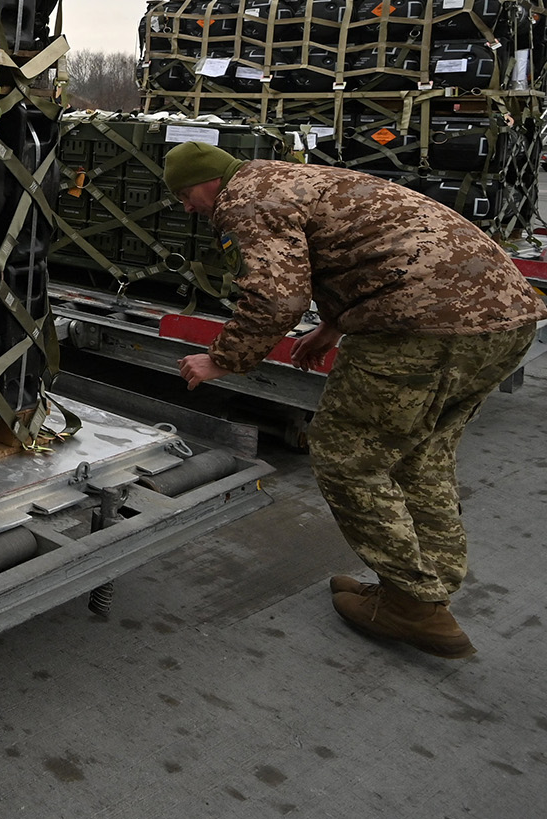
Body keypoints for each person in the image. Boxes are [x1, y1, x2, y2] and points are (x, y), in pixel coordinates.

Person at [166, 140, 543, 657]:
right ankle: (422, 588)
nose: (187, 207)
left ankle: (412, 605)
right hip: (503, 320)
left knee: (348, 456)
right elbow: (370, 253)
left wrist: (224, 359)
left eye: (186, 195)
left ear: (210, 180)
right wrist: (332, 326)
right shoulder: (292, 179)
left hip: (422, 329)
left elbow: (278, 295)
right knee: (419, 456)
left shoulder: (246, 198)